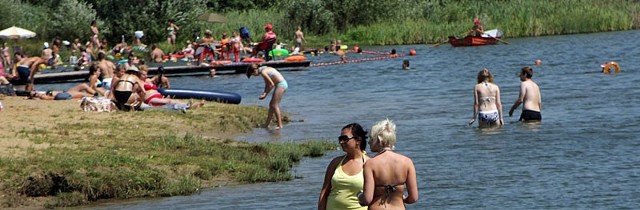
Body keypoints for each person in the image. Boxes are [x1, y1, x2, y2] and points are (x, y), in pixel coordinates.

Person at [358, 119, 419, 209]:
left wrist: (359, 196)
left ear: (379, 140)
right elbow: (413, 198)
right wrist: (402, 199)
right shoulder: (407, 162)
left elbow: (367, 199)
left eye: (371, 138)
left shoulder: (370, 164)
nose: (369, 142)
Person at [318, 123, 369, 210]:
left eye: (345, 139)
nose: (341, 142)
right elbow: (324, 192)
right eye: (340, 139)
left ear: (358, 140)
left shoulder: (369, 164)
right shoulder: (335, 163)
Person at [246, 64, 287, 129]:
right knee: (271, 105)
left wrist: (265, 94)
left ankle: (280, 125)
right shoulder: (264, 69)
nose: (255, 76)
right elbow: (267, 84)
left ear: (255, 70)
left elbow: (271, 84)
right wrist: (264, 93)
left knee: (274, 105)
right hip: (279, 84)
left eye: (253, 74)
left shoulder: (263, 72)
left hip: (281, 85)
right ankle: (266, 124)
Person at [27, 83, 101, 100]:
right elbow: (52, 98)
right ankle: (95, 96)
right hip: (62, 95)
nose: (36, 93)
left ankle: (95, 93)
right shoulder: (42, 96)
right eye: (35, 94)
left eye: (34, 91)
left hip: (64, 92)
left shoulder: (42, 93)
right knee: (82, 94)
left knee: (83, 85)